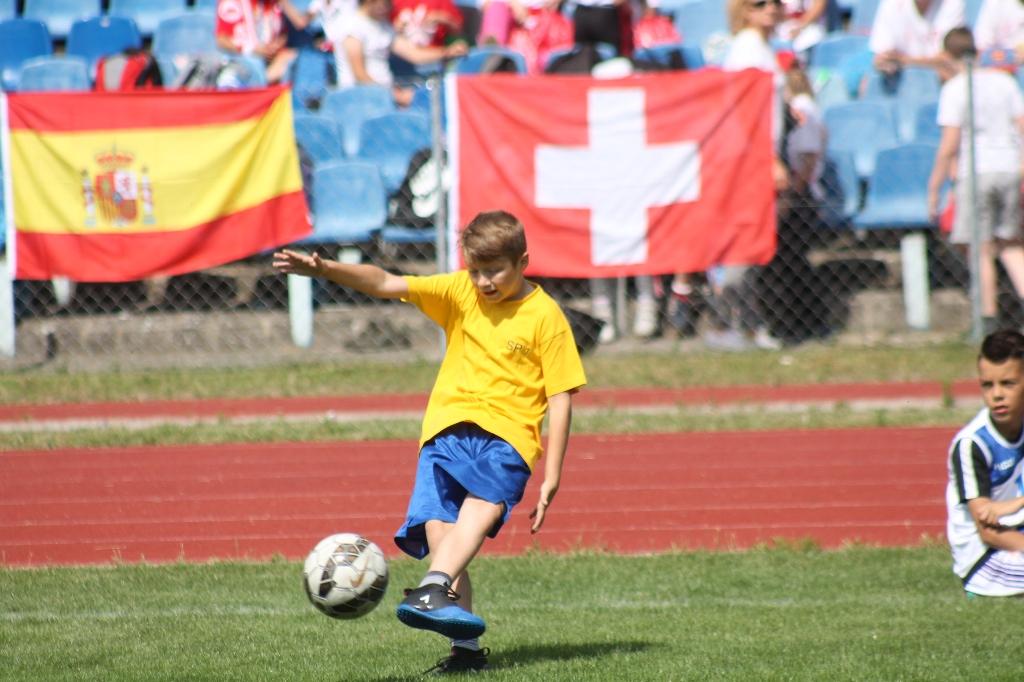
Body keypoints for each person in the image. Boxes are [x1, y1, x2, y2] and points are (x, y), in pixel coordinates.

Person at [272, 210, 586, 674]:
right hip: (444, 430)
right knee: (443, 535)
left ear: (523, 261)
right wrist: (325, 269)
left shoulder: (546, 316)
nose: (483, 282)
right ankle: (467, 652)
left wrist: (553, 474)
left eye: (494, 270)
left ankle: (432, 587)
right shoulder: (459, 291)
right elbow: (386, 282)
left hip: (507, 437)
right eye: (475, 270)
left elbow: (560, 398)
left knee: (481, 510)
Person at [927, 28, 1024, 335]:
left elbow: (949, 145)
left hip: (976, 171)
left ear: (947, 56)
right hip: (1009, 168)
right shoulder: (1004, 81)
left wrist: (934, 189)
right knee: (1010, 245)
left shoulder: (955, 88)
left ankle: (987, 320)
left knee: (980, 249)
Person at [947, 330, 1024, 597]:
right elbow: (989, 532)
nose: (997, 395)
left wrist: (1017, 503)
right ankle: (980, 591)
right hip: (987, 556)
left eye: (1008, 383)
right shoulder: (973, 444)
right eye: (987, 385)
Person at [332, 0, 466, 106]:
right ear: (369, 2)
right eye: (384, 4)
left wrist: (447, 52)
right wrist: (396, 96)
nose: (389, 8)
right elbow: (360, 76)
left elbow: (415, 55)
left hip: (384, 97)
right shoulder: (352, 27)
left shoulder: (383, 26)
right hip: (360, 99)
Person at [868, 0, 964, 78]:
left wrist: (900, 60)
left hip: (941, 87)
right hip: (901, 85)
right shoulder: (891, 4)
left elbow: (949, 59)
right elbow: (881, 56)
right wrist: (886, 60)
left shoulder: (952, 3)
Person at [215, 0, 294, 83]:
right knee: (252, 63)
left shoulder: (274, 4)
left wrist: (275, 46)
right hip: (242, 60)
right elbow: (221, 40)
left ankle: (263, 83)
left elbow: (291, 28)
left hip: (270, 62)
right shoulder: (230, 3)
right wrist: (252, 50)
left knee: (292, 57)